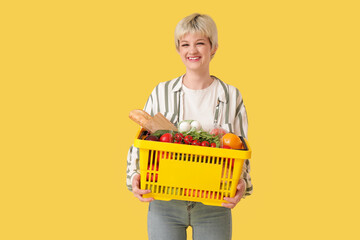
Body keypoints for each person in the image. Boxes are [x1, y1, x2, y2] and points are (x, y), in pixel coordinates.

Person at [126, 13, 253, 240]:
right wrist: (135, 175)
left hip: (214, 204)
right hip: (165, 201)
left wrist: (241, 182)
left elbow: (241, 148)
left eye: (200, 43)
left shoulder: (231, 95)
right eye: (185, 44)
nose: (192, 51)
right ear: (178, 49)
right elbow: (142, 142)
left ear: (213, 48)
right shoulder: (161, 92)